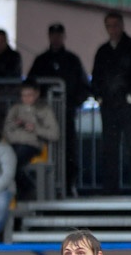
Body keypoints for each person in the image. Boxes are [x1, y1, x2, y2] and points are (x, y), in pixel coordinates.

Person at [27, 23, 91, 196]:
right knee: (43, 150)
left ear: (63, 36)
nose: (55, 38)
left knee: (68, 151)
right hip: (42, 117)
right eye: (53, 35)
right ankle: (44, 188)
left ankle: (69, 185)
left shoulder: (72, 60)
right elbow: (31, 86)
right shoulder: (41, 61)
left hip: (66, 115)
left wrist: (72, 104)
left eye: (58, 35)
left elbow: (84, 87)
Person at [92, 11, 131, 195]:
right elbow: (96, 77)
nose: (113, 29)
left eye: (116, 24)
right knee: (109, 148)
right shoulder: (103, 51)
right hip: (109, 105)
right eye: (109, 25)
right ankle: (110, 189)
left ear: (122, 25)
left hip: (129, 105)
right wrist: (99, 96)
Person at [3, 79, 60, 200]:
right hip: (12, 144)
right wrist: (16, 124)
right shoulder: (15, 109)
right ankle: (20, 191)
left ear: (37, 94)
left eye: (29, 95)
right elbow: (6, 130)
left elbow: (54, 134)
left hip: (31, 145)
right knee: (3, 159)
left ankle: (26, 189)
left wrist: (35, 128)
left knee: (12, 162)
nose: (26, 98)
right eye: (23, 95)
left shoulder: (44, 110)